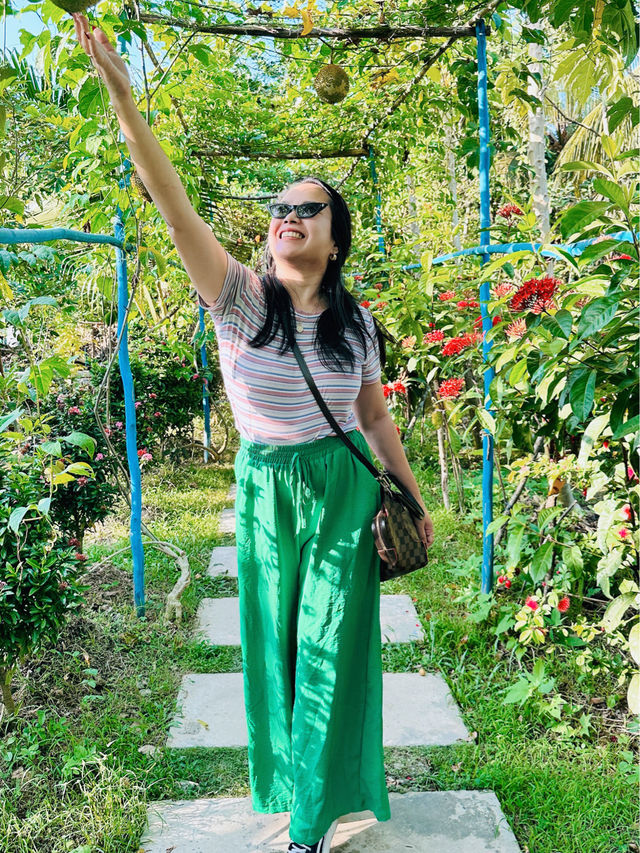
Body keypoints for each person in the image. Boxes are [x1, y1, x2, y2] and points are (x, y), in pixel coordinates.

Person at [72, 16, 435, 852]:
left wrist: (412, 499)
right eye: (281, 207)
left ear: (336, 237)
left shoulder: (357, 322)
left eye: (309, 208)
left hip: (343, 491)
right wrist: (126, 100)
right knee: (276, 651)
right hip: (267, 489)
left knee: (332, 647)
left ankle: (312, 820)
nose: (288, 216)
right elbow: (171, 203)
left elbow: (375, 416)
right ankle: (296, 788)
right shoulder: (239, 298)